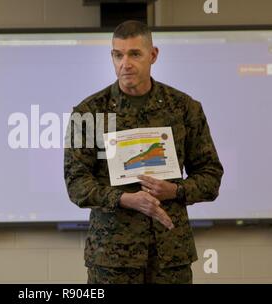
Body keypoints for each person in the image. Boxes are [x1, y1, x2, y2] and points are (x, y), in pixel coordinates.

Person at [64, 20, 224, 284]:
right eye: (118, 55)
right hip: (112, 259)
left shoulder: (184, 108)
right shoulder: (89, 112)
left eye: (134, 54)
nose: (125, 64)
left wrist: (175, 191)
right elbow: (77, 184)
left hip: (170, 257)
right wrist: (126, 199)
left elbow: (211, 175)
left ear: (153, 55)